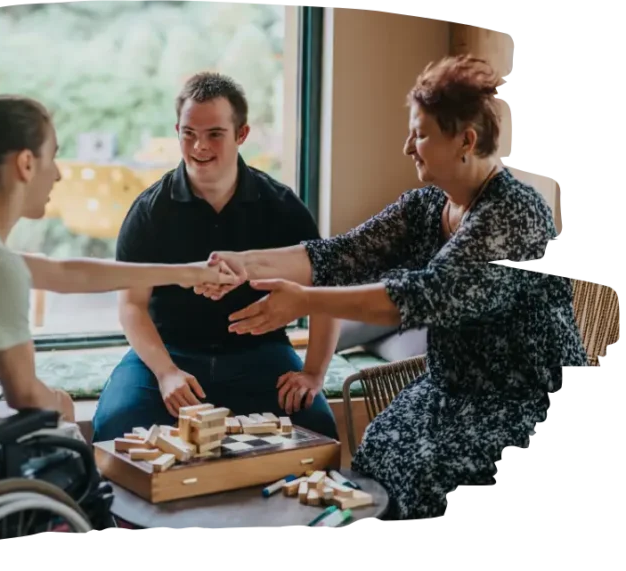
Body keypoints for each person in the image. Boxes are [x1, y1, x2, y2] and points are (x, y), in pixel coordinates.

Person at [196, 55, 587, 523]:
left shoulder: (515, 214)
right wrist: (242, 264)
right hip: (451, 391)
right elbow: (338, 255)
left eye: (420, 134)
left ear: (466, 140)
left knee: (426, 474)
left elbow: (424, 296)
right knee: (378, 450)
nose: (408, 147)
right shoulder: (426, 207)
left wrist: (303, 301)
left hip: (522, 400)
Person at [0, 94, 239, 436]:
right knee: (65, 434)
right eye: (52, 156)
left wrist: (189, 273)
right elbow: (25, 395)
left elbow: (68, 273)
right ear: (26, 163)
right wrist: (61, 404)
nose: (57, 174)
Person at [90, 72, 341, 443]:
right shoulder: (148, 211)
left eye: (214, 134)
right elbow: (131, 306)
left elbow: (326, 291)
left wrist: (314, 373)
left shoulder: (282, 207)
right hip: (170, 351)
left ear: (241, 135)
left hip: (260, 352)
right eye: (188, 133)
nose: (198, 146)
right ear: (177, 130)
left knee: (316, 426)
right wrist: (166, 373)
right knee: (115, 423)